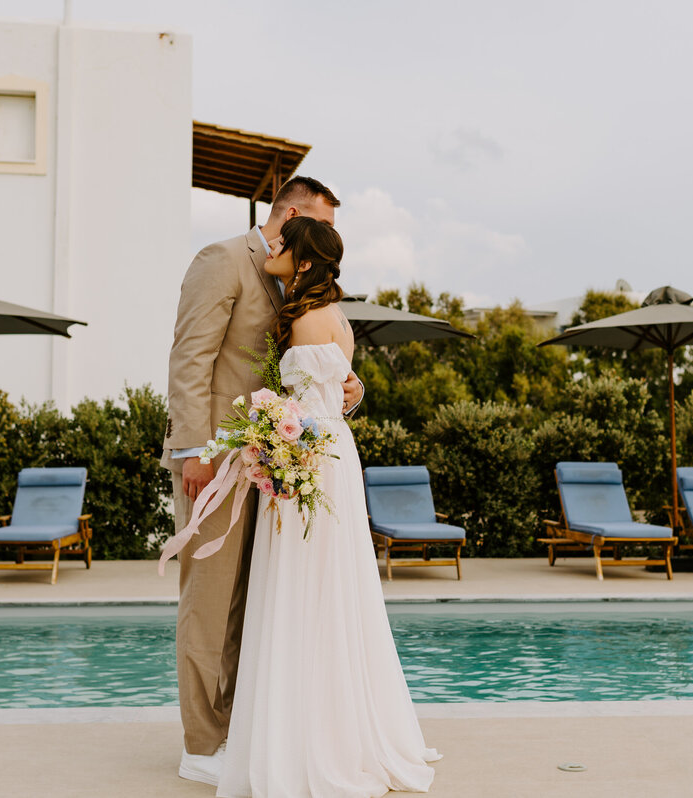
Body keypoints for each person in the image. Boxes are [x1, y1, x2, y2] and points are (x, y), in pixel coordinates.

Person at [216, 216, 439, 797]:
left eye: (285, 245)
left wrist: (274, 448)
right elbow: (333, 396)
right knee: (333, 593)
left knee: (301, 592)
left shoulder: (307, 319)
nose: (275, 248)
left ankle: (307, 741)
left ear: (306, 262)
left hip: (307, 459)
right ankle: (339, 729)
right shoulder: (336, 316)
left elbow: (307, 409)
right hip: (332, 455)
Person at [162, 177, 363, 786]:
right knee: (210, 601)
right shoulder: (221, 260)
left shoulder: (296, 284)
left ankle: (241, 731)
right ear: (294, 215)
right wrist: (194, 450)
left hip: (276, 464)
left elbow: (307, 369)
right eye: (322, 226)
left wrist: (349, 389)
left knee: (255, 602)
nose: (326, 239)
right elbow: (190, 357)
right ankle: (202, 743)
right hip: (217, 461)